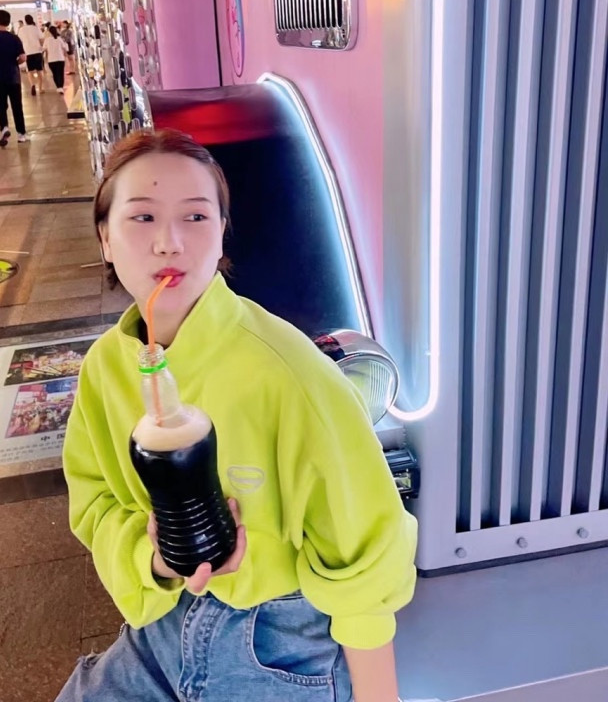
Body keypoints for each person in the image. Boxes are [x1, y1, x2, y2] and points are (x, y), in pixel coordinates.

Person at [56, 129, 417, 702]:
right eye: (143, 217)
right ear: (105, 237)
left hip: (281, 636)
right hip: (163, 623)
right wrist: (154, 556)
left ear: (222, 231)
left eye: (196, 217)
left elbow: (365, 554)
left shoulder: (287, 370)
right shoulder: (104, 368)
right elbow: (94, 498)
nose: (169, 243)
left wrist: (380, 696)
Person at [0, 10, 28, 146]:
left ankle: (4, 127)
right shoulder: (14, 38)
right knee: (17, 106)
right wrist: (15, 63)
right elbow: (23, 57)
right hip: (13, 76)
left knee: (0, 105)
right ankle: (21, 134)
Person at [17, 14, 44, 96]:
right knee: (40, 70)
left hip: (28, 52)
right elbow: (42, 39)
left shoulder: (21, 30)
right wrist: (41, 47)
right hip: (37, 51)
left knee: (30, 71)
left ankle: (32, 85)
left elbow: (19, 41)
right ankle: (40, 88)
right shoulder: (36, 28)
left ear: (25, 21)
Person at [44, 26, 67, 94]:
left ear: (49, 32)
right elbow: (64, 48)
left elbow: (45, 49)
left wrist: (46, 58)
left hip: (51, 60)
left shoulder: (47, 40)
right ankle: (61, 87)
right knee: (61, 73)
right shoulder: (59, 39)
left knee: (55, 74)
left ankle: (58, 87)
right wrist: (65, 55)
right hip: (60, 58)